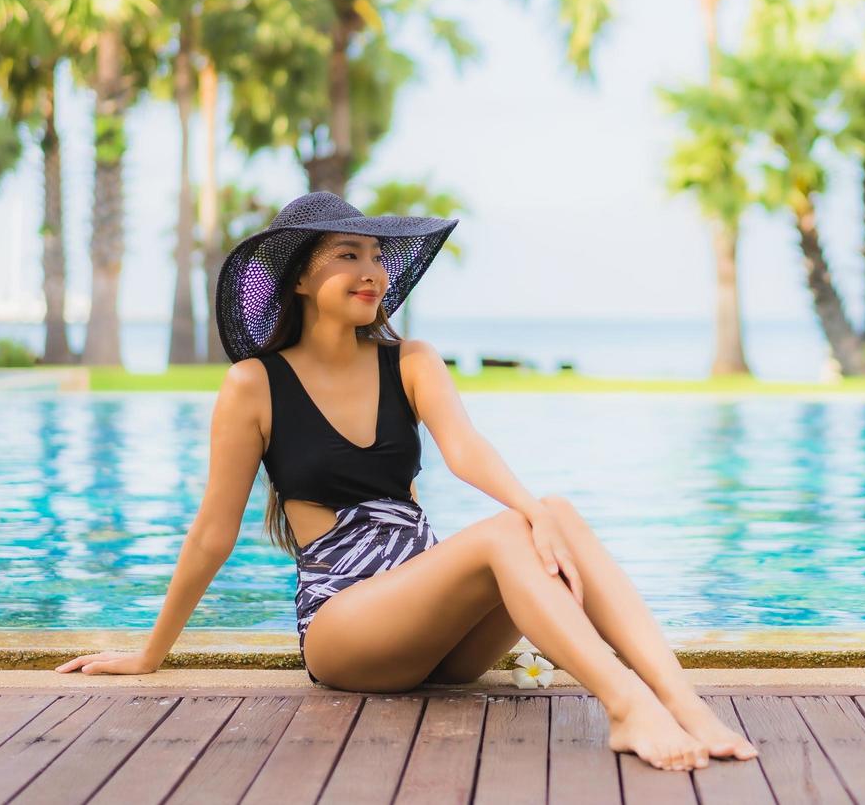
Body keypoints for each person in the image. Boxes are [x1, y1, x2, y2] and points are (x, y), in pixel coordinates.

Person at [56, 191, 758, 772]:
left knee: (554, 511)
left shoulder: (412, 361)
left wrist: (534, 514)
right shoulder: (254, 386)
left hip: (438, 638)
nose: (372, 271)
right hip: (345, 629)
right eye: (346, 255)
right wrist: (151, 654)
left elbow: (465, 450)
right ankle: (626, 705)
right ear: (299, 279)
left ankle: (682, 701)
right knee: (506, 534)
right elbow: (214, 532)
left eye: (377, 257)